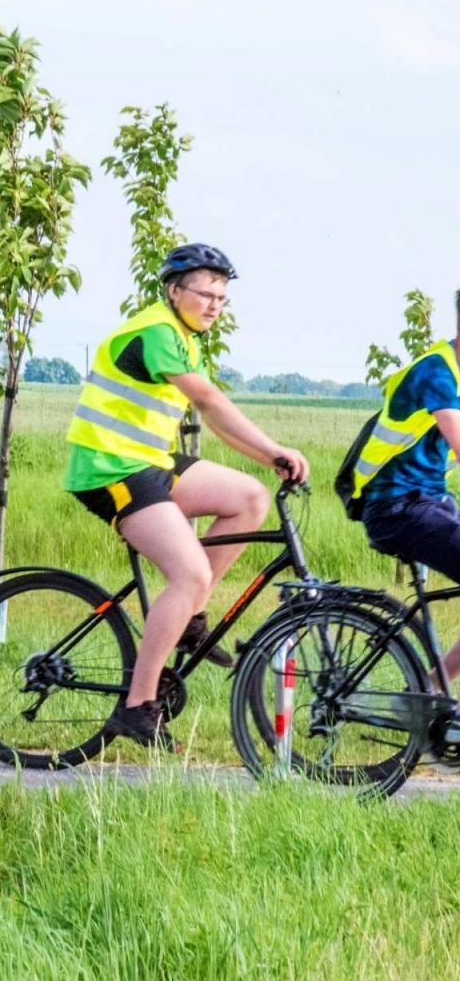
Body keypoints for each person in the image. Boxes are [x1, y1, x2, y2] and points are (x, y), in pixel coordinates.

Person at [64, 243, 309, 750]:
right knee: (189, 572)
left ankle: (191, 615)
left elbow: (216, 420)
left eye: (223, 296)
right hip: (109, 467)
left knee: (249, 498)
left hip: (148, 461)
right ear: (175, 292)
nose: (216, 304)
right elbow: (209, 400)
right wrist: (274, 445)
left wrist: (269, 460)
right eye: (206, 293)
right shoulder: (155, 331)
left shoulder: (184, 338)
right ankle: (137, 705)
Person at [343, 293, 460, 687]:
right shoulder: (437, 373)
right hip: (397, 509)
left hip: (429, 503)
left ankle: (431, 692)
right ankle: (432, 689)